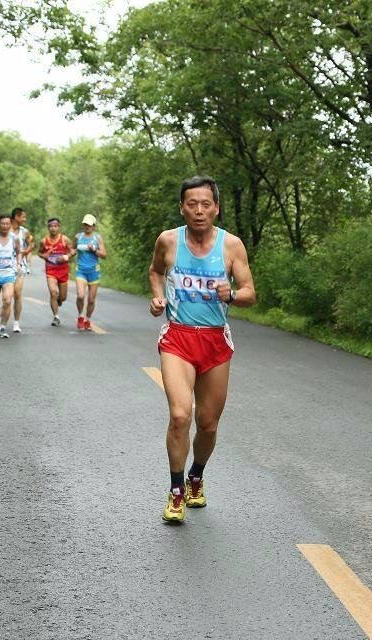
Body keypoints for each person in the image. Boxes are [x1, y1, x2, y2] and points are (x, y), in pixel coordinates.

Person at [148, 176, 255, 523]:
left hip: (214, 341)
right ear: (182, 207)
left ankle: (197, 476)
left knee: (207, 424)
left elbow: (250, 292)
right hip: (178, 338)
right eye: (191, 204)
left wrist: (233, 295)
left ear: (216, 208)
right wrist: (158, 296)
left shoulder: (231, 246)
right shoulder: (168, 240)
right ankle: (176, 491)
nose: (198, 211)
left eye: (205, 204)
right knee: (181, 415)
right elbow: (155, 272)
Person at [72, 213, 107, 330]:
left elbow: (104, 255)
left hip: (94, 271)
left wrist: (94, 250)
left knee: (91, 300)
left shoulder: (97, 238)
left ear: (93, 226)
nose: (87, 226)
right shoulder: (78, 237)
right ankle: (80, 316)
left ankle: (88, 319)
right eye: (85, 224)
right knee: (81, 296)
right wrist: (70, 254)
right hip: (80, 270)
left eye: (89, 225)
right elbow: (73, 249)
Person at [37, 217, 73, 326]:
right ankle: (56, 317)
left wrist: (66, 257)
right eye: (51, 226)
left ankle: (59, 300)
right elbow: (39, 253)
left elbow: (73, 251)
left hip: (63, 271)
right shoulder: (44, 241)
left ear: (59, 227)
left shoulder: (65, 239)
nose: (53, 228)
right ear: (48, 228)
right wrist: (45, 256)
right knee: (53, 292)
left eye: (55, 226)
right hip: (51, 270)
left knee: (62, 297)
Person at [9, 207, 34, 333]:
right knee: (6, 298)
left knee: (17, 294)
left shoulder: (24, 232)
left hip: (20, 265)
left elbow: (32, 244)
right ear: (16, 217)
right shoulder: (4, 229)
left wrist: (25, 252)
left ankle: (16, 322)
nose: (25, 219)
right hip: (4, 267)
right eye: (23, 217)